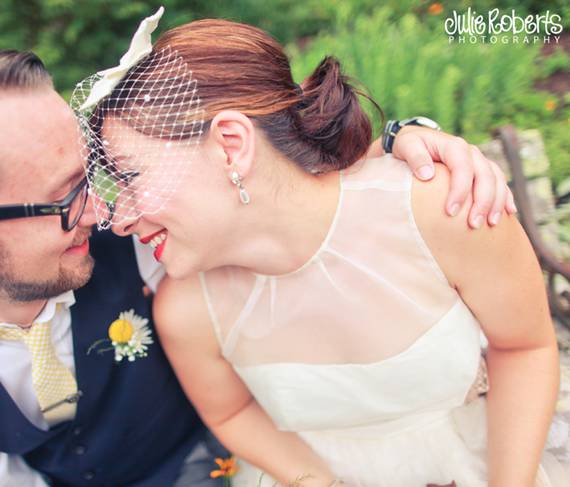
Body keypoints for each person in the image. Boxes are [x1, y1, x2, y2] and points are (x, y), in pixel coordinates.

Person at [0, 26, 512, 487]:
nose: (106, 210)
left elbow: (270, 190)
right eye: (64, 197)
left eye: (93, 174)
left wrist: (402, 144)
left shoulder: (146, 237)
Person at [75, 14, 569, 487]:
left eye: (131, 177)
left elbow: (523, 347)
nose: (118, 219)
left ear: (230, 143)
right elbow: (231, 413)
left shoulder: (442, 207)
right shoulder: (186, 311)